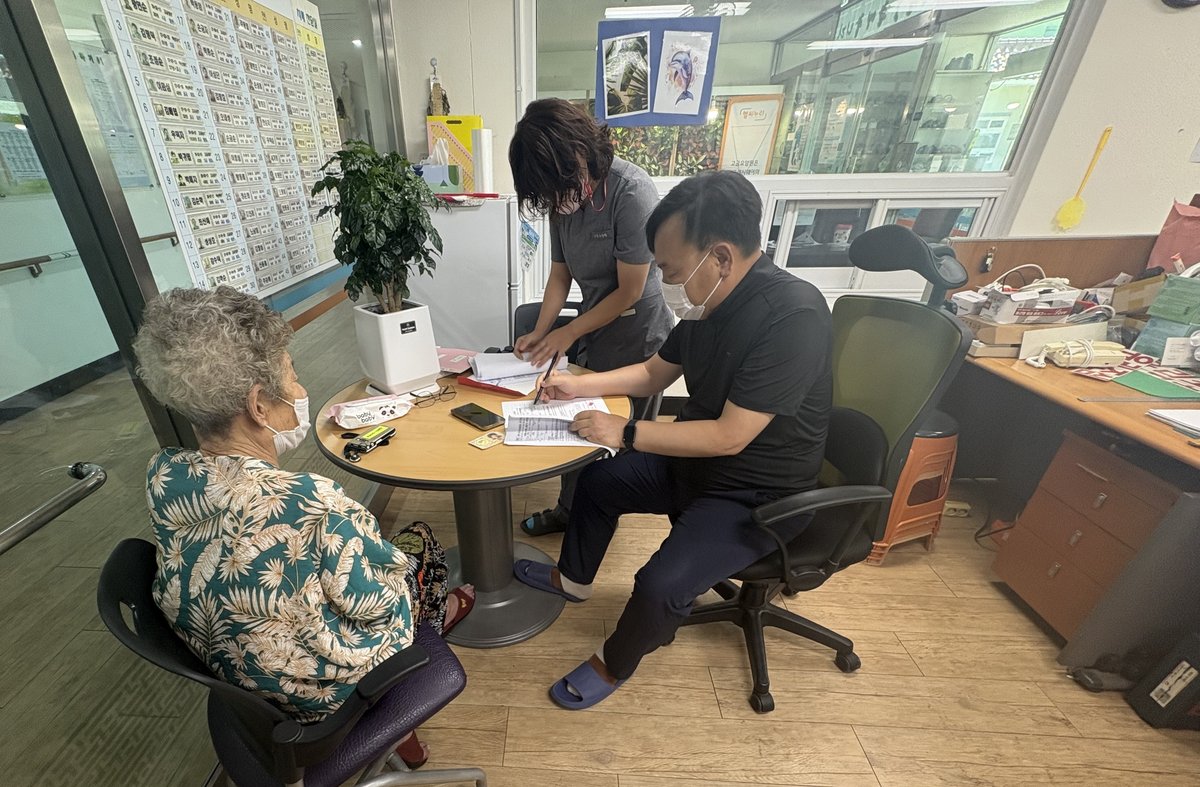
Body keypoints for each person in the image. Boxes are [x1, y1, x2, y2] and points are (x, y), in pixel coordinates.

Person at [512, 171, 833, 709]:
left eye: (670, 269)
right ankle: (573, 579)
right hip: (697, 463)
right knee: (600, 479)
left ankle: (614, 663)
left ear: (720, 257)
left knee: (659, 585)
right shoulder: (710, 304)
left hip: (758, 496)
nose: (665, 281)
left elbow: (730, 436)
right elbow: (651, 372)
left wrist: (627, 432)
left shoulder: (792, 316)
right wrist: (578, 384)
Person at [132, 286, 474, 767]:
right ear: (258, 406)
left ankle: (408, 720)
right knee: (419, 546)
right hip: (325, 704)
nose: (298, 389)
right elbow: (383, 607)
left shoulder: (165, 475)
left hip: (244, 681)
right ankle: (428, 652)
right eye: (292, 376)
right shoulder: (311, 504)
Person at [508, 98, 674, 536]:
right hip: (595, 326)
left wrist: (567, 334)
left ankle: (597, 520)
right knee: (576, 421)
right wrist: (541, 331)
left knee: (620, 435)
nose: (555, 201)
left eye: (557, 186)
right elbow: (560, 274)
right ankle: (570, 511)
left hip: (638, 330)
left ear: (579, 153)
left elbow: (630, 290)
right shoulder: (561, 197)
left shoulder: (630, 191)